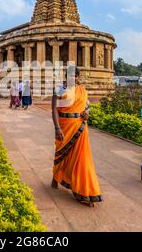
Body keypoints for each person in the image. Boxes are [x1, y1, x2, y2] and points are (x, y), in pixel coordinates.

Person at [51, 66, 102, 207]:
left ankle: (83, 191)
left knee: (81, 158)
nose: (74, 78)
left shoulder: (82, 90)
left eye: (76, 76)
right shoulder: (60, 89)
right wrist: (57, 128)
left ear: (78, 77)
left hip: (80, 126)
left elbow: (87, 106)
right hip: (64, 125)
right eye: (71, 76)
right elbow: (54, 109)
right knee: (61, 153)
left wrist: (88, 112)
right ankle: (56, 176)